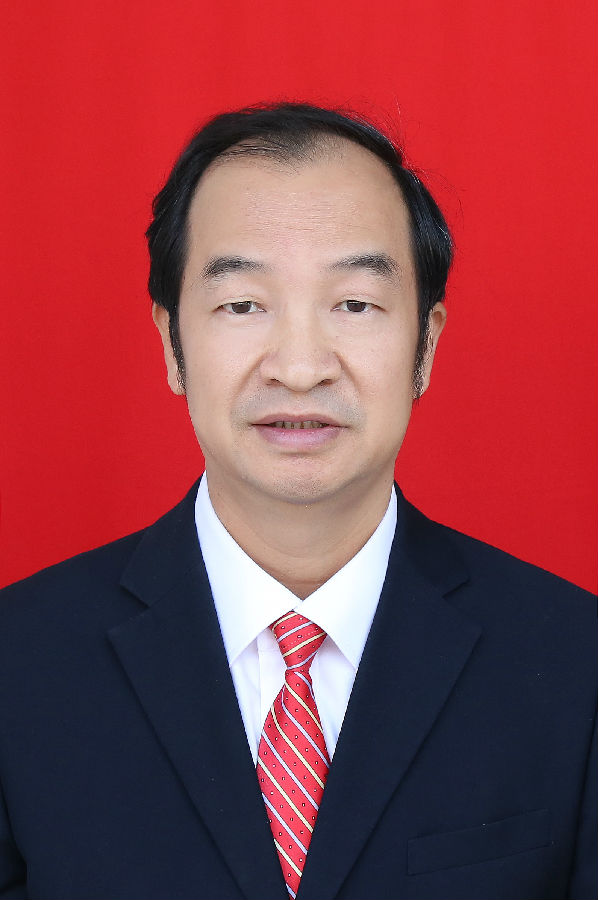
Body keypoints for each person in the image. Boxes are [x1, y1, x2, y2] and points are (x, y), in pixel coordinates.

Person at [0, 103, 595, 900]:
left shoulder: (575, 664)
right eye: (243, 304)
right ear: (171, 343)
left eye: (355, 303)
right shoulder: (18, 664)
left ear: (426, 343)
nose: (301, 367)